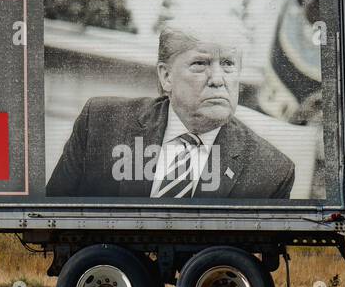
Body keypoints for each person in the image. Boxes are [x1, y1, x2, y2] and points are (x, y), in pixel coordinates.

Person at [46, 23, 295, 198]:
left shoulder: (272, 170)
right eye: (200, 63)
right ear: (166, 76)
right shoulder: (101, 121)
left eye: (228, 64)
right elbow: (55, 217)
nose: (218, 79)